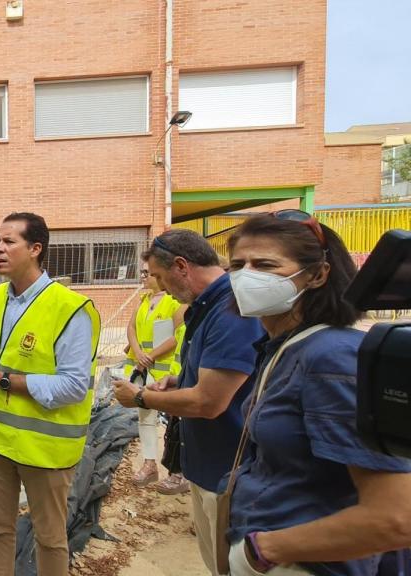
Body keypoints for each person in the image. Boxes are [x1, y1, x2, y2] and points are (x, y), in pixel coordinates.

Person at [221, 212, 411, 576]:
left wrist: (264, 550)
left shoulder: (332, 357)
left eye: (264, 265)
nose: (246, 277)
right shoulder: (283, 347)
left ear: (318, 274)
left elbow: (396, 517)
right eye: (237, 266)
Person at [0, 213, 100, 576]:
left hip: (44, 451)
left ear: (35, 249)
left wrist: (2, 380)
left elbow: (74, 386)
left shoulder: (71, 309)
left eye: (9, 241)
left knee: (50, 537)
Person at [112, 228, 264, 575]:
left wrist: (140, 396)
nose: (161, 286)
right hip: (210, 466)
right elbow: (226, 372)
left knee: (227, 565)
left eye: (162, 277)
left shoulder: (230, 312)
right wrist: (180, 380)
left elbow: (209, 402)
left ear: (182, 266)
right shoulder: (207, 307)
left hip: (227, 471)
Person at [122, 264, 186, 486]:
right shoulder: (143, 300)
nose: (143, 276)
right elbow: (131, 328)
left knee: (175, 420)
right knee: (145, 418)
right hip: (143, 369)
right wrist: (139, 353)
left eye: (147, 273)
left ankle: (178, 470)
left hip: (165, 372)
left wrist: (150, 355)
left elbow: (178, 336)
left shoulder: (175, 302)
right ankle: (150, 464)